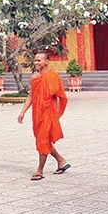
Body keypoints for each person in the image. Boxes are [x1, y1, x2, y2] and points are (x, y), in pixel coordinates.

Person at [17, 53, 70, 181]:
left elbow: (57, 96)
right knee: (43, 139)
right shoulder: (34, 77)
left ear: (46, 61)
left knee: (43, 139)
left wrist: (56, 115)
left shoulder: (53, 76)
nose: (36, 63)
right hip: (37, 112)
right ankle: (61, 160)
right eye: (35, 60)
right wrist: (22, 112)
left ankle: (39, 170)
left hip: (49, 112)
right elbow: (31, 96)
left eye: (39, 60)